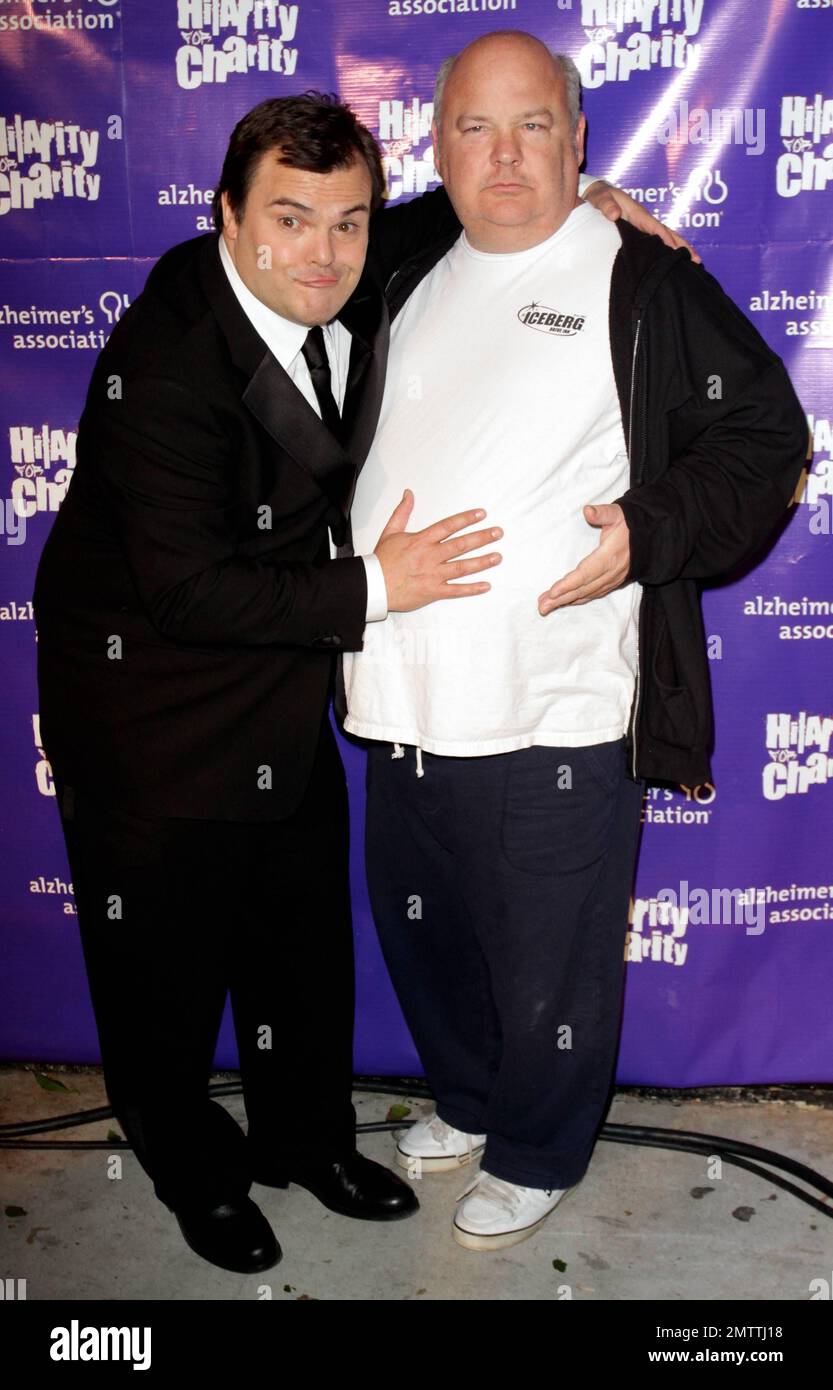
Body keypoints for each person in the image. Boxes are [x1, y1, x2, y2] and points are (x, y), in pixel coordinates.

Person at [32, 86, 694, 1275]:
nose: (324, 253)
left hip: (284, 696)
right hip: (152, 717)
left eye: (347, 222)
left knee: (299, 949)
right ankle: (192, 1167)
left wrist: (585, 195)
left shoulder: (349, 252)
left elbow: (471, 200)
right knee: (163, 978)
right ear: (226, 217)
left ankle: (307, 1140)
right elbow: (187, 595)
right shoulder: (169, 359)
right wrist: (383, 586)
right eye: (290, 220)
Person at [341, 30, 808, 1252]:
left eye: (533, 126)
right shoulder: (393, 261)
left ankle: (538, 1145)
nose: (503, 157)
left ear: (578, 138)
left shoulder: (638, 277)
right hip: (395, 695)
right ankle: (468, 1098)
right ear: (433, 145)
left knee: (548, 963)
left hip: (553, 704)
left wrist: (650, 529)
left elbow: (762, 439)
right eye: (474, 128)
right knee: (425, 935)